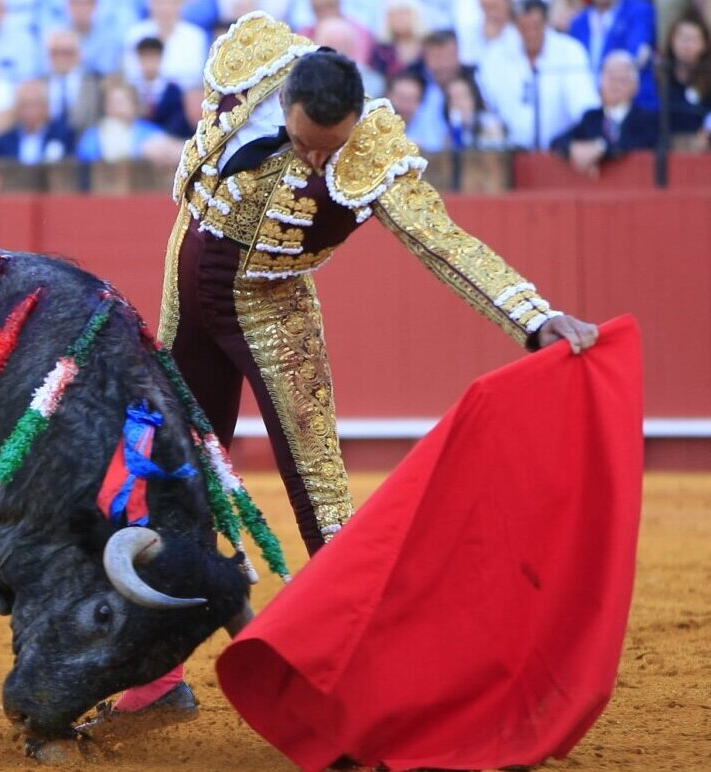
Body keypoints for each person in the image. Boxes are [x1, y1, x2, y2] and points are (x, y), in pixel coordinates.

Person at [77, 10, 599, 741]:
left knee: (323, 504)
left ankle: (369, 690)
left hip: (272, 312)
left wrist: (533, 316)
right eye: (306, 144)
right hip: (186, 289)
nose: (319, 162)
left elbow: (442, 241)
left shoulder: (375, 147)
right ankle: (158, 680)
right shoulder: (250, 55)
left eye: (332, 149)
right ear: (286, 100)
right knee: (168, 476)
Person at [477, 0, 599, 150]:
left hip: (560, 153)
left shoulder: (570, 52)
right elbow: (487, 106)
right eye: (524, 27)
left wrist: (580, 140)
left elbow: (583, 107)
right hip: (510, 153)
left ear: (546, 23)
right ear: (515, 26)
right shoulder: (494, 56)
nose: (530, 34)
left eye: (535, 26)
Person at [551, 50, 659, 177]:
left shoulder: (648, 120)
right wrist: (574, 149)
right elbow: (557, 142)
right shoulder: (591, 118)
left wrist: (601, 148)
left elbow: (634, 144)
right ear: (600, 84)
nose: (615, 85)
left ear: (635, 87)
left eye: (622, 80)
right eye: (611, 78)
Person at [568, 0, 659, 110]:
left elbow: (636, 55)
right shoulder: (578, 22)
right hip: (591, 107)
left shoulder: (639, 10)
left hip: (636, 106)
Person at [75, 78, 166, 162]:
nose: (116, 109)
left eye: (120, 103)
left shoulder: (151, 132)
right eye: (111, 103)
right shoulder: (94, 135)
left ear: (134, 105)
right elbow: (85, 157)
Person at [0, 79, 75, 164]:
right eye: (24, 105)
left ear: (46, 107)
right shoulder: (5, 141)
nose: (29, 111)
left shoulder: (62, 136)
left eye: (34, 105)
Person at [662, 10, 711, 146]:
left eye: (693, 39)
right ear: (672, 40)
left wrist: (707, 132)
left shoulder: (709, 79)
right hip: (665, 149)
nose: (687, 45)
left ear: (704, 44)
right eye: (682, 38)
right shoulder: (659, 75)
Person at [43, 26, 101, 135]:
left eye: (67, 52)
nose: (61, 58)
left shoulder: (96, 84)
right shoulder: (39, 84)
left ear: (79, 54)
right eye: (55, 52)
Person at [131, 36, 191, 137]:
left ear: (161, 58)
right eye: (145, 58)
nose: (149, 63)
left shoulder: (173, 91)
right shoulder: (132, 89)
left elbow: (177, 120)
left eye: (153, 58)